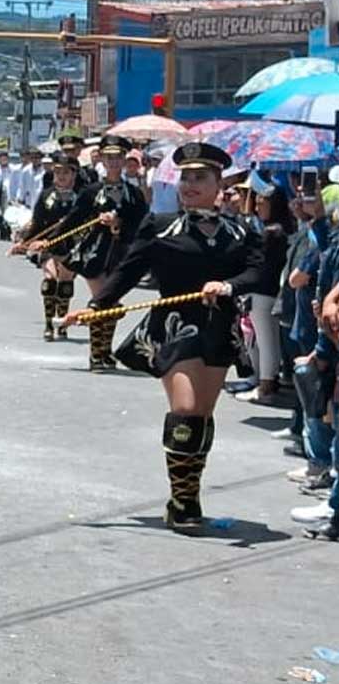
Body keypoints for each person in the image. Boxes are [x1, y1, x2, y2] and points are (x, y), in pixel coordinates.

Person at [62, 143, 263, 531]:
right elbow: (128, 270)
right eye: (185, 177)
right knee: (185, 408)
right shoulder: (160, 225)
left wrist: (228, 285)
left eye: (200, 178)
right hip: (175, 327)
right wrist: (97, 305)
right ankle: (183, 501)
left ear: (219, 184)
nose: (190, 185)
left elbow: (259, 274)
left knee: (203, 414)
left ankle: (188, 493)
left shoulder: (242, 231)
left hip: (219, 328)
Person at [54, 135, 148, 370]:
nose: (114, 162)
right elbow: (73, 219)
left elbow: (142, 224)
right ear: (103, 160)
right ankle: (96, 354)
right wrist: (47, 241)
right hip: (94, 253)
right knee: (102, 301)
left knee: (112, 303)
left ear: (125, 160)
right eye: (109, 158)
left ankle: (105, 352)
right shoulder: (91, 191)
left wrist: (119, 223)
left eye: (118, 157)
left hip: (122, 253)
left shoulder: (134, 194)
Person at [235, 172, 294, 405]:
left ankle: (266, 386)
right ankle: (265, 381)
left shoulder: (272, 232)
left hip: (263, 291)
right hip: (271, 290)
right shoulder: (282, 228)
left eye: (262, 202)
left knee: (265, 340)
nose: (258, 206)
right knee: (264, 340)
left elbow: (261, 264)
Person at [11, 152, 82, 341]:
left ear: (74, 174)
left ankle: (62, 321)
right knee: (50, 280)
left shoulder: (81, 197)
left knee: (65, 283)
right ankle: (49, 323)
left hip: (72, 244)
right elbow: (37, 222)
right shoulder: (47, 195)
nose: (61, 176)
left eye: (66, 172)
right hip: (48, 244)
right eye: (58, 172)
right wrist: (24, 241)